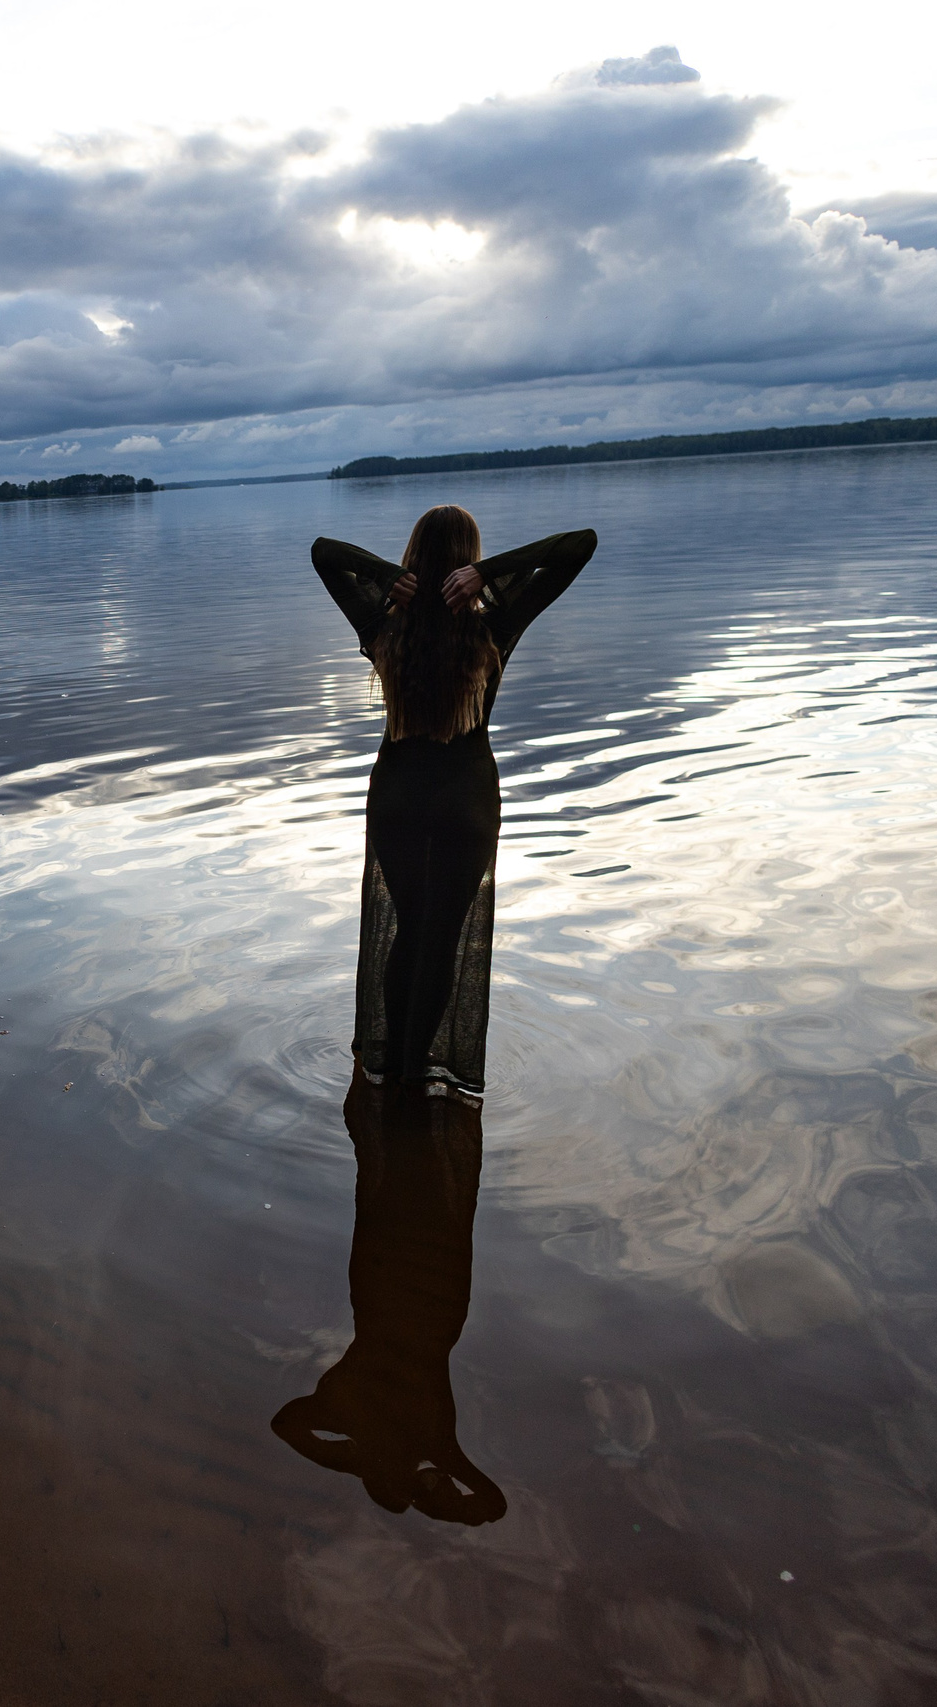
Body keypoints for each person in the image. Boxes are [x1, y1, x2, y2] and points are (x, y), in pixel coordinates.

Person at [311, 507, 594, 1101]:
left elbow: (324, 552)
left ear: (412, 554)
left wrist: (389, 579)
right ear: (468, 558)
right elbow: (579, 545)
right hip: (466, 802)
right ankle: (416, 1076)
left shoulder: (381, 621)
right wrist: (487, 574)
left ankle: (388, 1077)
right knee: (440, 938)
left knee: (411, 932)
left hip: (397, 800)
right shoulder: (496, 621)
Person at [269, 1080, 502, 1525]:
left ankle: (401, 1092)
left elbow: (491, 1505)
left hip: (423, 1301)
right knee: (403, 1195)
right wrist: (356, 1461)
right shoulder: (427, 1442)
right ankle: (408, 1093)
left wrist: (355, 1460)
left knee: (410, 1195)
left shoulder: (422, 1442)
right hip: (418, 1299)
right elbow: (285, 1426)